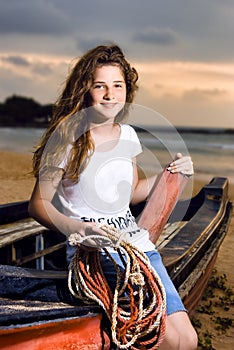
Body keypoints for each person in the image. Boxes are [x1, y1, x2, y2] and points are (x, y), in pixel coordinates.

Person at [29, 44, 198, 349]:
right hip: (95, 254)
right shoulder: (67, 139)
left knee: (187, 339)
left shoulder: (129, 136)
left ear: (126, 90)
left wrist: (172, 174)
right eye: (100, 86)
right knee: (167, 340)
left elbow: (131, 195)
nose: (110, 94)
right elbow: (38, 204)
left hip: (140, 249)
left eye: (117, 86)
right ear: (85, 90)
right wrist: (76, 228)